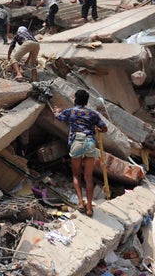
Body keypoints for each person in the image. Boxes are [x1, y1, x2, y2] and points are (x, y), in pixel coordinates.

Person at [53, 89, 108, 218]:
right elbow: (104, 128)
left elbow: (58, 117)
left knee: (76, 175)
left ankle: (80, 203)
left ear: (75, 99)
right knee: (88, 177)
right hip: (89, 143)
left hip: (76, 143)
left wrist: (56, 111)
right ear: (87, 101)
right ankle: (89, 207)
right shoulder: (93, 114)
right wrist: (97, 129)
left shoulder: (70, 111)